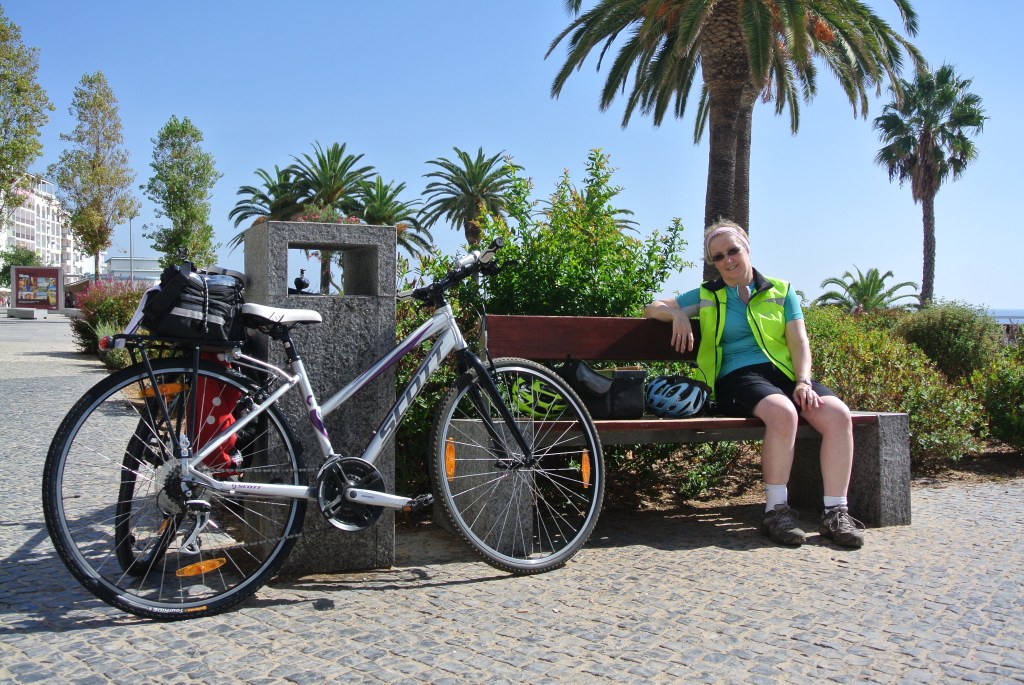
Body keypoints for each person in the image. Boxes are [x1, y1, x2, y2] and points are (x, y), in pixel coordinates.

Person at [644, 220, 864, 548]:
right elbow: (651, 307)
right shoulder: (708, 294)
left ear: (747, 248)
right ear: (713, 263)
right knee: (783, 413)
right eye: (718, 257)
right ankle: (775, 512)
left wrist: (803, 381)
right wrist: (675, 314)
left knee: (837, 415)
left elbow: (799, 342)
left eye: (733, 251)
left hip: (786, 375)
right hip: (737, 378)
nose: (728, 260)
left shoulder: (781, 290)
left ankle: (835, 513)